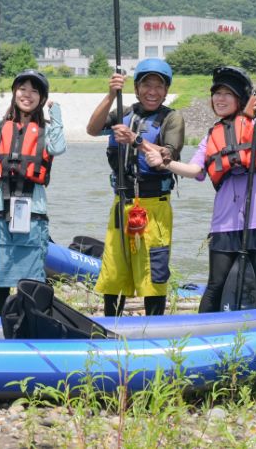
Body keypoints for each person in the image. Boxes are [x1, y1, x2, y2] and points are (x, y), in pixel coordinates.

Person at [85, 58, 192, 316]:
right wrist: (111, 94)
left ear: (166, 91)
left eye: (159, 86)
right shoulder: (123, 112)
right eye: (147, 85)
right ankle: (111, 325)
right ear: (136, 88)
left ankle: (154, 327)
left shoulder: (172, 118)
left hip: (154, 206)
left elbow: (169, 155)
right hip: (122, 203)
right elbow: (92, 129)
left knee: (152, 272)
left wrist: (135, 140)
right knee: (114, 270)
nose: (152, 91)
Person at [177, 66, 256, 314]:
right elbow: (195, 170)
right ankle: (204, 338)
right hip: (225, 222)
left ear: (241, 99)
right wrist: (162, 161)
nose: (220, 98)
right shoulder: (212, 135)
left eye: (227, 93)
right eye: (216, 93)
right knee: (215, 285)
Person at [0, 69, 66, 315]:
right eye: (22, 89)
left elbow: (59, 146)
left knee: (32, 276)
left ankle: (31, 323)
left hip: (32, 212)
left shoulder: (46, 130)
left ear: (42, 98)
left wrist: (55, 114)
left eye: (34, 91)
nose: (27, 94)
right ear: (15, 93)